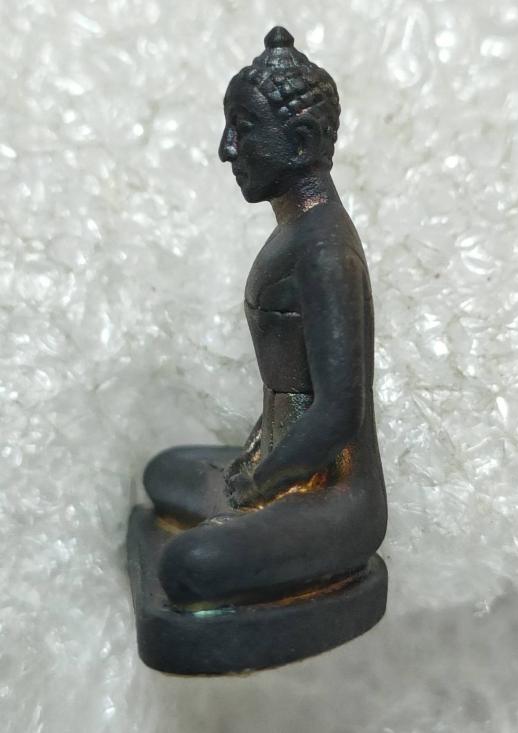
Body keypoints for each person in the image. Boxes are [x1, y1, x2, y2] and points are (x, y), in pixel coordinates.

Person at [145, 26, 387, 606]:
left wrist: (259, 482)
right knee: (164, 472)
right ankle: (243, 517)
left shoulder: (325, 251)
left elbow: (337, 413)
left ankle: (242, 532)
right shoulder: (292, 232)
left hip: (333, 494)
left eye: (244, 128)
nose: (227, 148)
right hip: (277, 464)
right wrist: (256, 459)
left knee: (190, 564)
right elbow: (287, 393)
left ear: (300, 141)